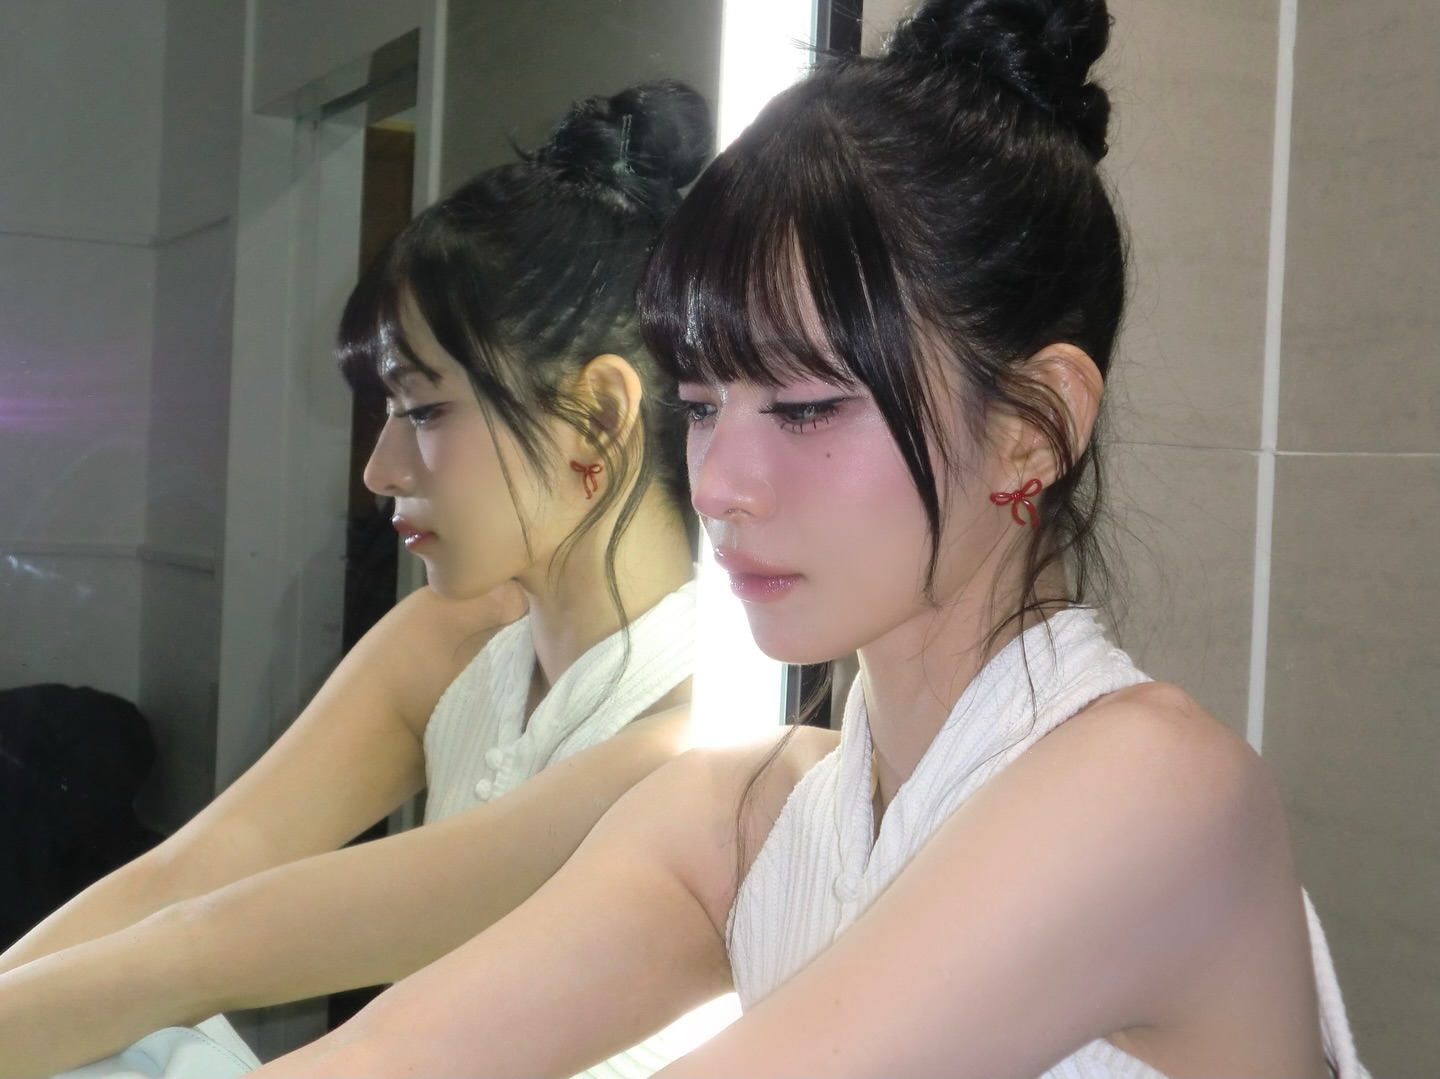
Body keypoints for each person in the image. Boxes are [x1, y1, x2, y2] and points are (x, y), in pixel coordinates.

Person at [247, 2, 1373, 1076]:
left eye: (804, 407)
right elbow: (381, 1056)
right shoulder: (752, 820)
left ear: (1033, 427)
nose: (718, 483)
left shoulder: (1150, 793)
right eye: (701, 404)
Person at [0, 80, 718, 1078]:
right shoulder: (448, 642)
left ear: (597, 414)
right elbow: (189, 878)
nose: (379, 470)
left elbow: (205, 944)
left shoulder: (696, 727)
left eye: (423, 410)